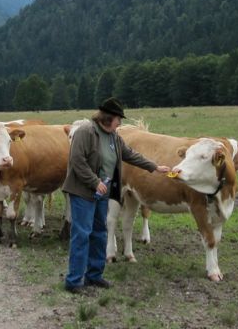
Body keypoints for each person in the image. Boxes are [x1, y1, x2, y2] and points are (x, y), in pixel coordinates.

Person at [62, 97, 172, 294]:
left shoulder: (113, 136)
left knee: (99, 233)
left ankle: (94, 275)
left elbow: (129, 154)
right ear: (107, 118)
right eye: (118, 119)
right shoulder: (85, 132)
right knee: (82, 235)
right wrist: (94, 182)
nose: (120, 123)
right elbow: (77, 161)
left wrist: (154, 167)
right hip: (83, 192)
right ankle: (74, 281)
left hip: (102, 193)